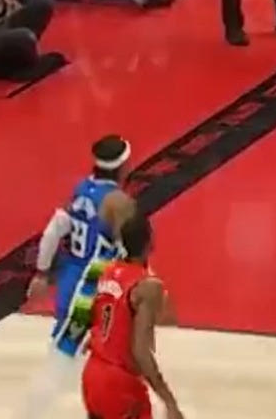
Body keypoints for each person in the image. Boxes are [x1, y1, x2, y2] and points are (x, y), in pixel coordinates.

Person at [20, 136, 135, 419]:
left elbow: (54, 230)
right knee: (62, 359)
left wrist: (42, 272)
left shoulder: (81, 190)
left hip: (74, 282)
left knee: (93, 356)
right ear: (123, 166)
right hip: (89, 289)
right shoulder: (118, 202)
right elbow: (131, 250)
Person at [81, 213, 184, 419]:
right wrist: (169, 401)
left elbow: (90, 316)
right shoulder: (148, 286)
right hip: (120, 382)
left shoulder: (103, 270)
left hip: (92, 373)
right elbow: (140, 351)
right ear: (150, 243)